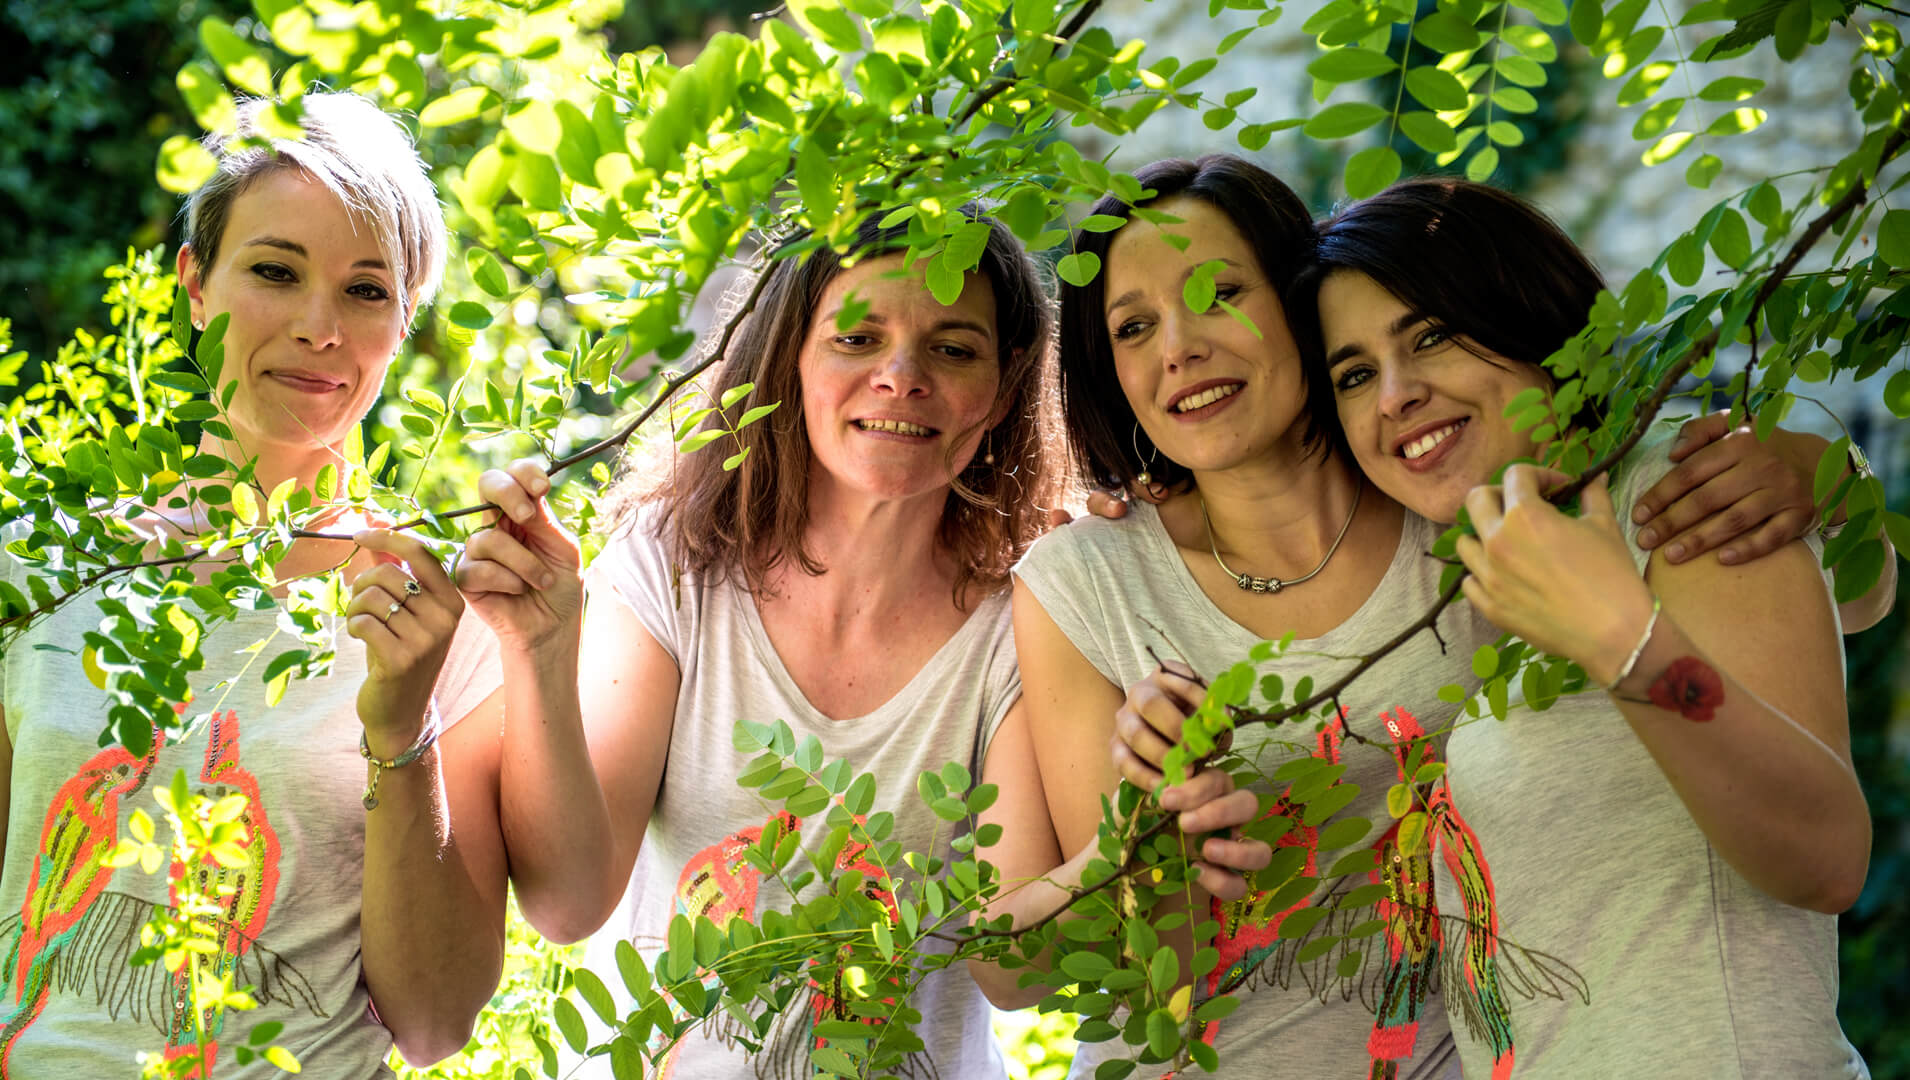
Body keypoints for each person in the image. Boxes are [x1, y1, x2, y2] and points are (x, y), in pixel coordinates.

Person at [999, 155, 1858, 1080]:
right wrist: (1152, 830)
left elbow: (1803, 663)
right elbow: (1116, 968)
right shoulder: (1098, 578)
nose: (1179, 346)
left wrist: (1832, 482)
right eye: (1133, 327)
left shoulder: (1520, 510)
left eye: (1220, 292)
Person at [455, 213, 1264, 1078]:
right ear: (790, 359)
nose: (901, 377)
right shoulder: (673, 567)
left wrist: (1132, 846)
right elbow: (568, 903)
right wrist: (538, 652)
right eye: (857, 336)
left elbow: (1013, 965)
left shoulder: (1027, 616)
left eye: (954, 349)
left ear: (1003, 386)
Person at [1287, 177, 1873, 1078]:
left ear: (1526, 316)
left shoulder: (1676, 502)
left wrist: (1623, 641)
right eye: (1355, 375)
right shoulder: (1461, 576)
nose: (1395, 394)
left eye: (1432, 335)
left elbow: (1827, 858)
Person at [0, 93, 510, 1075]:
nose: (321, 328)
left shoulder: (435, 614)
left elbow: (438, 1019)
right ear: (195, 281)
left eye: (368, 290)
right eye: (276, 271)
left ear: (405, 321)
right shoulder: (41, 563)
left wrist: (402, 729)